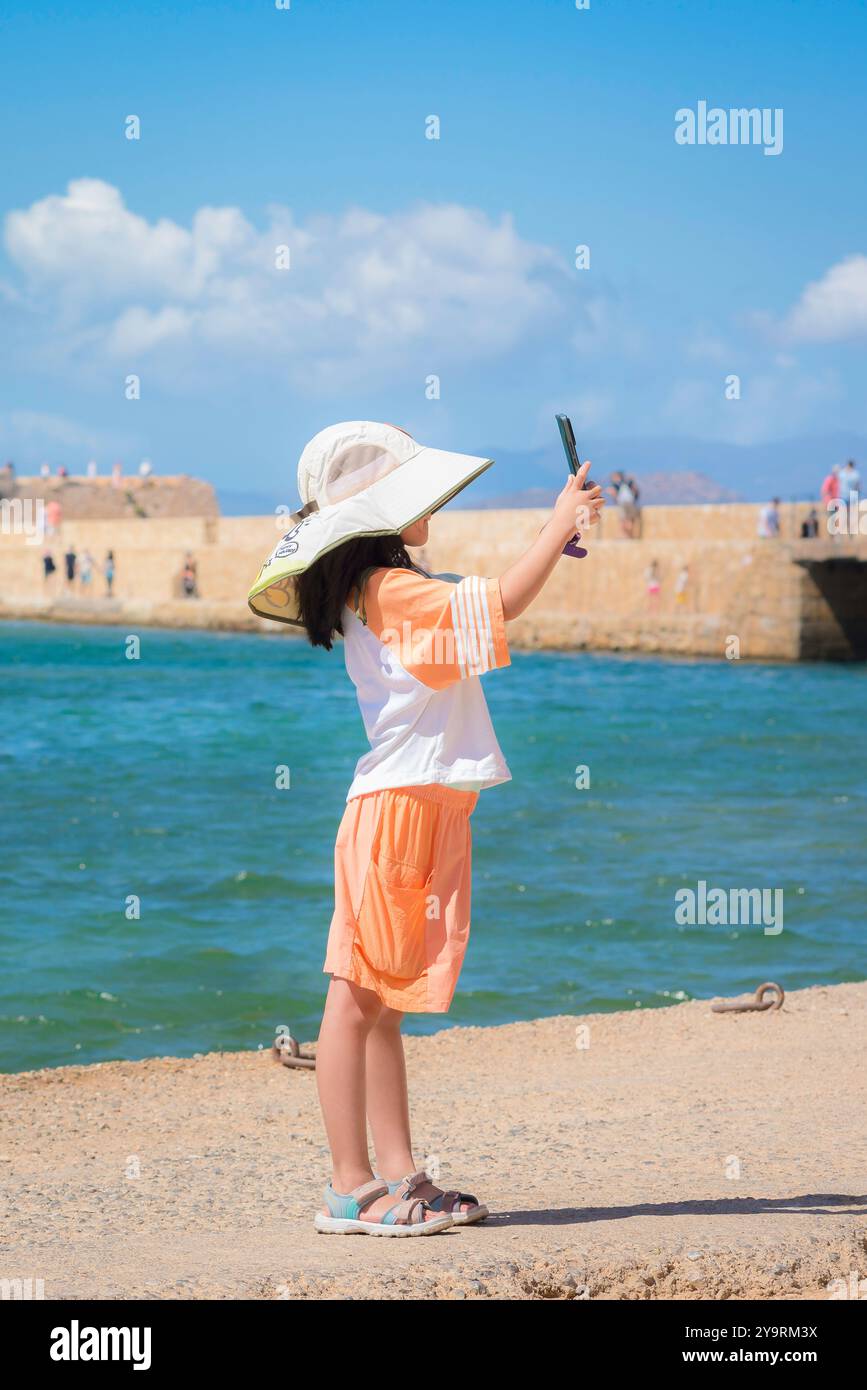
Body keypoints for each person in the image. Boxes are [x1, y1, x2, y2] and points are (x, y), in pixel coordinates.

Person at [248, 421, 605, 1235]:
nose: (430, 508)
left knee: (383, 1004)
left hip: (423, 806)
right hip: (398, 809)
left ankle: (398, 1173)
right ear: (378, 519)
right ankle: (351, 1187)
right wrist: (556, 523)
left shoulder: (390, 590)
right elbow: (499, 605)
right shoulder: (389, 589)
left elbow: (480, 611)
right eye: (414, 498)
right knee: (354, 998)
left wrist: (554, 534)